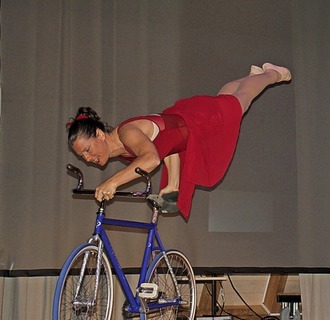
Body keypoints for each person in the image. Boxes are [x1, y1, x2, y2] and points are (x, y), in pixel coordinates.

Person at [67, 63, 291, 218]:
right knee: (226, 100)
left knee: (239, 103)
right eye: (82, 156)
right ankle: (251, 77)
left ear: (99, 134)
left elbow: (152, 158)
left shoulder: (126, 133)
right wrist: (173, 184)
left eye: (87, 149)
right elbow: (169, 147)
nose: (88, 158)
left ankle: (273, 74)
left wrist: (113, 181)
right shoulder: (121, 147)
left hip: (199, 122)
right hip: (189, 127)